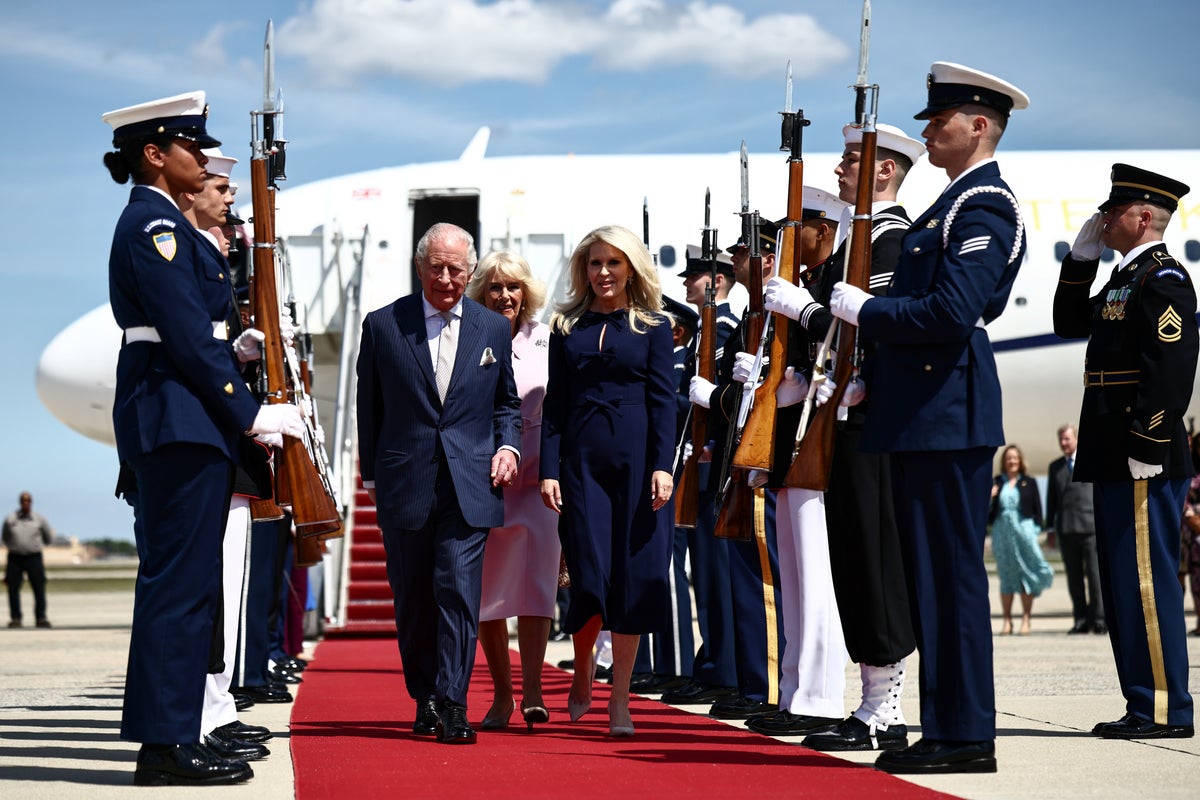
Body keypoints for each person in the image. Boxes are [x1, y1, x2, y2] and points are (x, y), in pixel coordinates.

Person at [829, 62, 1030, 774]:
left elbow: (953, 312)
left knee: (951, 579)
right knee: (930, 581)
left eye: (939, 119)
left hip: (949, 413)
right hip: (919, 411)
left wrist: (866, 312)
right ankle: (945, 726)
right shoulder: (947, 207)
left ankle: (969, 733)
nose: (928, 130)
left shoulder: (984, 207)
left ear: (979, 125)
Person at [102, 91, 305, 786]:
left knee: (191, 586)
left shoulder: (164, 223)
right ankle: (163, 743)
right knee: (179, 586)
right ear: (156, 155)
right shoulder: (152, 227)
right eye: (191, 146)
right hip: (178, 415)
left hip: (188, 414)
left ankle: (179, 729)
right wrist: (248, 413)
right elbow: (187, 335)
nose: (201, 156)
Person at [763, 123, 925, 752]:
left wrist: (803, 312)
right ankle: (870, 699)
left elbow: (870, 326)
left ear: (885, 170)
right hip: (843, 416)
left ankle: (885, 703)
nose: (839, 167)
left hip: (874, 418)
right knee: (852, 558)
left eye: (853, 159)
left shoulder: (892, 240)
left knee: (874, 558)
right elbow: (832, 331)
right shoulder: (859, 239)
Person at [357, 222, 521, 746]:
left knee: (457, 588)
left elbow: (507, 402)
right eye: (437, 268)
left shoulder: (492, 329)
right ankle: (423, 695)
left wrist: (508, 446)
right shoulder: (383, 326)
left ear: (470, 271)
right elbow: (369, 409)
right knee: (413, 598)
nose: (446, 278)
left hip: (470, 481)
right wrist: (370, 474)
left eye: (456, 269)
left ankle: (453, 702)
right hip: (407, 479)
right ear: (419, 266)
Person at [1053, 163, 1196, 740]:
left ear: (1142, 217)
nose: (1102, 221)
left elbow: (1170, 371)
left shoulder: (1165, 280)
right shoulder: (1123, 280)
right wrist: (1080, 263)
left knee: (1146, 583)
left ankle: (1164, 708)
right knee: (1122, 587)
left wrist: (1149, 441)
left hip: (1143, 455)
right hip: (1114, 454)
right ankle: (1143, 702)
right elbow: (1068, 323)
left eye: (1111, 214)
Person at [539, 224, 676, 738]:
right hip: (581, 465)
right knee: (589, 577)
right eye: (595, 264)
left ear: (632, 268)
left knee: (633, 579)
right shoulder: (565, 327)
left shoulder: (654, 327)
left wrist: (663, 465)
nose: (603, 273)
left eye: (613, 263)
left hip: (640, 465)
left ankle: (620, 698)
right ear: (583, 270)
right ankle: (581, 672)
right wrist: (547, 469)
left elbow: (665, 402)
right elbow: (554, 406)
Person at [734, 187, 850, 738]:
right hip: (792, 446)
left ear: (823, 230)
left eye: (794, 227)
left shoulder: (831, 283)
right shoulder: (807, 284)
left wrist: (804, 313)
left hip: (820, 446)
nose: (784, 240)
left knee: (817, 576)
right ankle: (796, 692)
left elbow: (842, 336)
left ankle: (822, 697)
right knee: (796, 579)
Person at [679, 222, 784, 722]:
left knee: (752, 579)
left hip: (749, 462)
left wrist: (715, 398)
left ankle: (760, 683)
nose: (734, 258)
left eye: (741, 252)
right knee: (730, 578)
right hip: (727, 463)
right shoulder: (741, 322)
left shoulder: (738, 323)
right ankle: (745, 678)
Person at [464, 250, 561, 731]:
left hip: (541, 484)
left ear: (527, 293)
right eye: (496, 287)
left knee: (539, 587)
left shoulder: (549, 340)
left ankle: (535, 691)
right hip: (488, 481)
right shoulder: (467, 338)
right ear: (481, 291)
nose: (505, 295)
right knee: (489, 594)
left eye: (514, 287)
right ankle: (502, 695)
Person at [1045, 424, 1105, 634]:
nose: (1064, 443)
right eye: (1061, 439)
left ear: (1076, 439)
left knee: (1095, 576)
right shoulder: (1055, 468)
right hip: (1067, 529)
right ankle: (1080, 619)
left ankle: (1099, 619)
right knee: (1074, 577)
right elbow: (1051, 501)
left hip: (1091, 528)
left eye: (1067, 439)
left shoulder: (1090, 460)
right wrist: (1050, 530)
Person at [988, 444, 1054, 636]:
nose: (1012, 461)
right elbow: (988, 513)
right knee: (1006, 576)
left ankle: (1026, 618)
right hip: (1003, 534)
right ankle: (1007, 621)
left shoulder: (1029, 481)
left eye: (1015, 458)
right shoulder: (996, 482)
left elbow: (1037, 509)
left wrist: (1034, 530)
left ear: (1020, 460)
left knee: (1026, 572)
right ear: (1004, 461)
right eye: (1008, 458)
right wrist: (990, 497)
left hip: (1023, 533)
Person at [3, 492, 54, 628]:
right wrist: (15, 546)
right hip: (15, 557)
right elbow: (5, 537)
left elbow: (48, 537)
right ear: (20, 502)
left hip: (33, 557)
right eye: (23, 501)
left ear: (31, 502)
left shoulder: (39, 519)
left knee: (39, 588)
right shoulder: (11, 519)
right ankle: (16, 618)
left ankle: (41, 617)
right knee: (13, 589)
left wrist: (36, 545)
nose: (26, 503)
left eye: (28, 501)